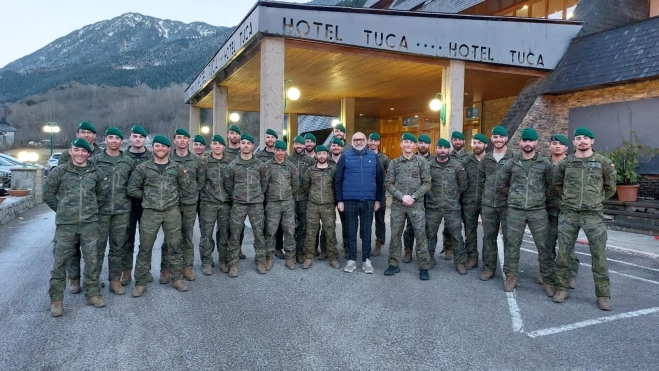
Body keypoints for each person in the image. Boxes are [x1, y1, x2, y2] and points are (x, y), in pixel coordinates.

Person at [552, 127, 617, 311]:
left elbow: (610, 187)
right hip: (569, 213)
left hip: (593, 215)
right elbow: (556, 184)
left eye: (586, 138)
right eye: (578, 138)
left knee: (599, 256)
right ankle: (562, 288)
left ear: (592, 142)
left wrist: (596, 200)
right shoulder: (566, 163)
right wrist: (567, 199)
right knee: (563, 253)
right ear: (573, 142)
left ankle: (603, 295)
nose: (582, 141)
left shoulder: (603, 162)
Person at [44, 139, 108, 317]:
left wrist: (91, 210)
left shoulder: (96, 172)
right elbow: (48, 194)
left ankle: (92, 293)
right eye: (76, 150)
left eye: (84, 151)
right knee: (60, 263)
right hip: (66, 225)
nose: (80, 153)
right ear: (70, 151)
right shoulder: (59, 171)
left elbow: (102, 194)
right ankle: (56, 300)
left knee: (92, 260)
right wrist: (63, 210)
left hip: (89, 224)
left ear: (89, 154)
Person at [127, 135, 192, 296]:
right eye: (157, 146)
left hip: (171, 212)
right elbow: (132, 188)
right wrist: (149, 197)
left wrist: (173, 199)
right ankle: (140, 283)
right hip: (150, 212)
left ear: (169, 149)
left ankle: (177, 278)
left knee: (175, 246)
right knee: (145, 248)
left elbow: (186, 188)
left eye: (163, 147)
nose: (160, 149)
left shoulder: (177, 168)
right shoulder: (143, 168)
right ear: (152, 148)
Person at [496, 128, 557, 296]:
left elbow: (552, 186)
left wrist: (540, 198)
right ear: (520, 142)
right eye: (525, 140)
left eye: (531, 141)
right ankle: (511, 276)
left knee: (544, 246)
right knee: (512, 245)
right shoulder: (511, 163)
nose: (528, 144)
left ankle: (547, 278)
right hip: (515, 210)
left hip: (538, 211)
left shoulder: (545, 164)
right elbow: (501, 184)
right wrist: (515, 195)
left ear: (536, 143)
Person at [60, 121, 103, 293]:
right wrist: (62, 207)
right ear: (77, 134)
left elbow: (101, 186)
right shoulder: (67, 154)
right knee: (72, 248)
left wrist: (95, 206)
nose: (86, 135)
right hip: (69, 211)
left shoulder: (100, 153)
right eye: (83, 132)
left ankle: (92, 280)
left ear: (94, 136)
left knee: (92, 247)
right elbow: (59, 183)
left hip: (91, 211)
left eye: (89, 132)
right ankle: (74, 279)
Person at [91, 127, 135, 296]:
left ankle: (114, 280)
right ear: (105, 139)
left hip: (122, 211)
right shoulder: (95, 160)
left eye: (117, 138)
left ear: (121, 140)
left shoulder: (128, 161)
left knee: (118, 247)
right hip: (100, 211)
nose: (114, 141)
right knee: (97, 248)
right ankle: (94, 281)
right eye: (111, 137)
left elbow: (134, 184)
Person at [384, 133, 432, 280]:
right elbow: (388, 183)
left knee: (420, 235)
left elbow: (427, 183)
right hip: (398, 205)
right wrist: (401, 196)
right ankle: (393, 264)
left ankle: (424, 267)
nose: (408, 145)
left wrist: (414, 196)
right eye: (405, 142)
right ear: (401, 144)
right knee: (395, 234)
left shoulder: (422, 162)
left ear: (415, 145)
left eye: (411, 143)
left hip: (416, 205)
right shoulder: (394, 163)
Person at [335, 132, 384, 273]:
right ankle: (351, 260)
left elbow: (380, 180)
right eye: (356, 140)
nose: (359, 142)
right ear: (352, 141)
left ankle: (366, 261)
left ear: (366, 141)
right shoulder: (345, 156)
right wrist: (340, 200)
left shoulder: (373, 157)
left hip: (368, 201)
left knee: (366, 231)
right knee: (350, 231)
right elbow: (338, 180)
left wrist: (377, 200)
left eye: (361, 139)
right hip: (349, 200)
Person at [225, 134, 268, 276]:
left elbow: (264, 182)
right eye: (243, 143)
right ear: (240, 145)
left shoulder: (260, 165)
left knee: (259, 234)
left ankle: (260, 261)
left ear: (252, 146)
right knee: (235, 234)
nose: (245, 145)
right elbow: (228, 184)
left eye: (248, 143)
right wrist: (237, 194)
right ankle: (233, 264)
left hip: (256, 204)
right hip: (238, 204)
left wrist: (258, 195)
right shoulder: (233, 165)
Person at [478, 126, 515, 281]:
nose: (498, 140)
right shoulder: (486, 159)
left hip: (508, 205)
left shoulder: (515, 157)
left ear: (506, 138)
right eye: (495, 137)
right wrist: (481, 203)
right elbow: (480, 183)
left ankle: (509, 272)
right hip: (488, 205)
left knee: (509, 238)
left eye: (501, 137)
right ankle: (489, 268)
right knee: (489, 237)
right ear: (491, 139)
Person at [425, 138, 468, 273]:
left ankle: (460, 262)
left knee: (456, 236)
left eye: (445, 148)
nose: (442, 150)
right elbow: (425, 184)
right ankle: (429, 258)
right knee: (430, 234)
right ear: (436, 149)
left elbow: (463, 185)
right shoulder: (429, 165)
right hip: (433, 207)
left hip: (452, 207)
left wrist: (452, 196)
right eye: (440, 148)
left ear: (449, 150)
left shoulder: (457, 166)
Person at [166, 128, 201, 282]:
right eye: (178, 137)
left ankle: (187, 268)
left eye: (184, 138)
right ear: (174, 140)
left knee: (187, 237)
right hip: (170, 205)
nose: (181, 140)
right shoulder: (167, 158)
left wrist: (192, 193)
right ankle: (166, 269)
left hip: (189, 204)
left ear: (189, 141)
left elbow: (201, 180)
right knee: (170, 238)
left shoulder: (196, 160)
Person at [197, 135, 236, 275]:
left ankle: (223, 260)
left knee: (224, 233)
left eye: (220, 144)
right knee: (206, 234)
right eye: (215, 143)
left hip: (226, 203)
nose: (217, 146)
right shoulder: (204, 162)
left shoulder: (231, 161)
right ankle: (206, 261)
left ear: (224, 146)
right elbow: (200, 182)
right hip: (208, 203)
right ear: (211, 146)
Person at [545, 133, 579, 288]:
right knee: (548, 244)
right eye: (554, 143)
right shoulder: (543, 164)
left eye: (561, 143)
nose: (557, 146)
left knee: (568, 245)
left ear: (566, 147)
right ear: (550, 146)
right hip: (547, 211)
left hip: (568, 212)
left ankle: (570, 274)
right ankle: (549, 273)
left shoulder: (573, 164)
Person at [121, 125, 153, 286]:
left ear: (145, 139)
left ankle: (144, 270)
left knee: (146, 240)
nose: (138, 139)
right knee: (127, 240)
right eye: (135, 136)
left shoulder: (152, 157)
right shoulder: (123, 157)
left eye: (141, 137)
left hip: (147, 205)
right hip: (126, 205)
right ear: (130, 138)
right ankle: (126, 272)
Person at [262, 140, 299, 270]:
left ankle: (289, 257)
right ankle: (269, 257)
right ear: (274, 151)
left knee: (290, 231)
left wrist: (287, 195)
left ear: (285, 151)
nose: (280, 153)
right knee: (270, 232)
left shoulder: (291, 166)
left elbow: (295, 185)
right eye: (277, 150)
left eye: (282, 150)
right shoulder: (267, 166)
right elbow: (263, 186)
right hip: (272, 204)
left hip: (288, 203)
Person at [302, 145, 340, 269]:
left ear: (327, 155)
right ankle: (308, 257)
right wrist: (314, 196)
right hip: (313, 205)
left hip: (328, 206)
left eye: (324, 153)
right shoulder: (310, 170)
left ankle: (332, 257)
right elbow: (306, 186)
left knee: (330, 232)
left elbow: (337, 186)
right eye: (319, 154)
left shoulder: (333, 169)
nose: (322, 156)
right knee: (311, 232)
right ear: (316, 155)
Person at [402, 133, 432, 261]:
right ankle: (408, 250)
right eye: (420, 142)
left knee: (426, 228)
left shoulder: (434, 160)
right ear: (417, 145)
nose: (423, 145)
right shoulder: (410, 159)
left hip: (430, 200)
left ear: (429, 145)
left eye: (425, 143)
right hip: (412, 200)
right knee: (410, 227)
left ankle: (426, 254)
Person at [441, 130, 470, 259]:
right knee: (449, 224)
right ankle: (448, 247)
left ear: (464, 141)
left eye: (460, 139)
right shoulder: (447, 155)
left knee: (468, 225)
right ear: (451, 141)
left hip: (467, 197)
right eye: (454, 140)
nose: (457, 142)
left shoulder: (470, 157)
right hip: (450, 197)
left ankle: (468, 252)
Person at [460, 134, 488, 269]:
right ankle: (472, 257)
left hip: (487, 202)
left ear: (485, 145)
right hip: (469, 202)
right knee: (469, 232)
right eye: (474, 143)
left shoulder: (490, 161)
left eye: (480, 143)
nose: (477, 145)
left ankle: (489, 262)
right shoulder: (466, 161)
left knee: (489, 233)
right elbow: (460, 181)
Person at [256, 128, 284, 258]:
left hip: (278, 196)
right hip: (263, 196)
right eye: (268, 137)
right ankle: (266, 250)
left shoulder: (282, 155)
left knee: (278, 224)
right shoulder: (258, 157)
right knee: (264, 224)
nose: (270, 140)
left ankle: (278, 247)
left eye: (272, 137)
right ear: (265, 139)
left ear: (276, 139)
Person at [288, 135, 315, 263]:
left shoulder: (310, 161)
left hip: (304, 199)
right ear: (293, 145)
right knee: (290, 227)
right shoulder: (288, 160)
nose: (299, 146)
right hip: (290, 199)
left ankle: (300, 251)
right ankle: (291, 253)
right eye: (296, 144)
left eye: (301, 144)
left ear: (304, 145)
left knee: (304, 226)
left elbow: (313, 179)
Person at [368, 132, 390, 257]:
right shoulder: (363, 156)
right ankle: (365, 242)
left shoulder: (384, 158)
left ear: (378, 143)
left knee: (380, 220)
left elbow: (391, 174)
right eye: (371, 140)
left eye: (375, 141)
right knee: (366, 220)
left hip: (380, 194)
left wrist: (383, 184)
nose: (372, 143)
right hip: (366, 193)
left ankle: (379, 243)